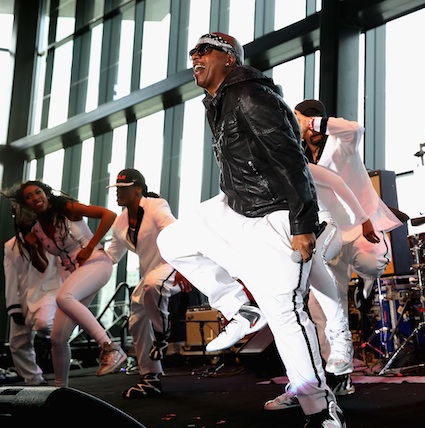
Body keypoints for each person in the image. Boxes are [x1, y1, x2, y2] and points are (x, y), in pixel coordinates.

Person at [157, 32, 345, 427]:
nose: (195, 56)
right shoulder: (220, 100)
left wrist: (301, 223)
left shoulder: (249, 94)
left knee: (286, 314)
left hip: (276, 217)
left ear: (229, 59)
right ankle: (238, 308)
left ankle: (320, 408)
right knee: (172, 238)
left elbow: (290, 158)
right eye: (192, 51)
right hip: (241, 210)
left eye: (204, 50)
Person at [265, 100, 403, 409]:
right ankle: (338, 376)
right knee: (320, 306)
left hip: (361, 227)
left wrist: (311, 122)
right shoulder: (298, 156)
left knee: (373, 262)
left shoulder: (343, 145)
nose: (302, 129)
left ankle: (366, 288)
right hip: (329, 236)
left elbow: (356, 128)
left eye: (305, 122)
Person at [2, 180, 126, 388]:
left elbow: (109, 215)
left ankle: (110, 347)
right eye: (29, 197)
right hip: (78, 274)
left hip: (96, 262)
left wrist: (90, 246)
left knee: (63, 297)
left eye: (37, 192)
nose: (35, 198)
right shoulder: (38, 229)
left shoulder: (67, 208)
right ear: (26, 205)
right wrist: (33, 247)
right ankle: (61, 390)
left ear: (46, 193)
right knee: (58, 339)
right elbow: (41, 267)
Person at [105, 168, 192, 398]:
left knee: (154, 285)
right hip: (149, 272)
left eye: (124, 189)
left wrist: (183, 267)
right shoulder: (120, 222)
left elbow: (175, 233)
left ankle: (162, 334)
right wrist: (84, 262)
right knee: (136, 322)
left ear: (138, 190)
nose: (118, 193)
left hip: (170, 262)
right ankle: (150, 378)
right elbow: (112, 255)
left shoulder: (156, 205)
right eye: (117, 189)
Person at [4, 202, 65, 385]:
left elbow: (54, 268)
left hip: (49, 293)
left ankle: (50, 339)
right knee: (17, 343)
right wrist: (13, 307)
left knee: (44, 325)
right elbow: (11, 277)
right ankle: (34, 380)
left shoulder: (50, 238)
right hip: (22, 299)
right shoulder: (10, 246)